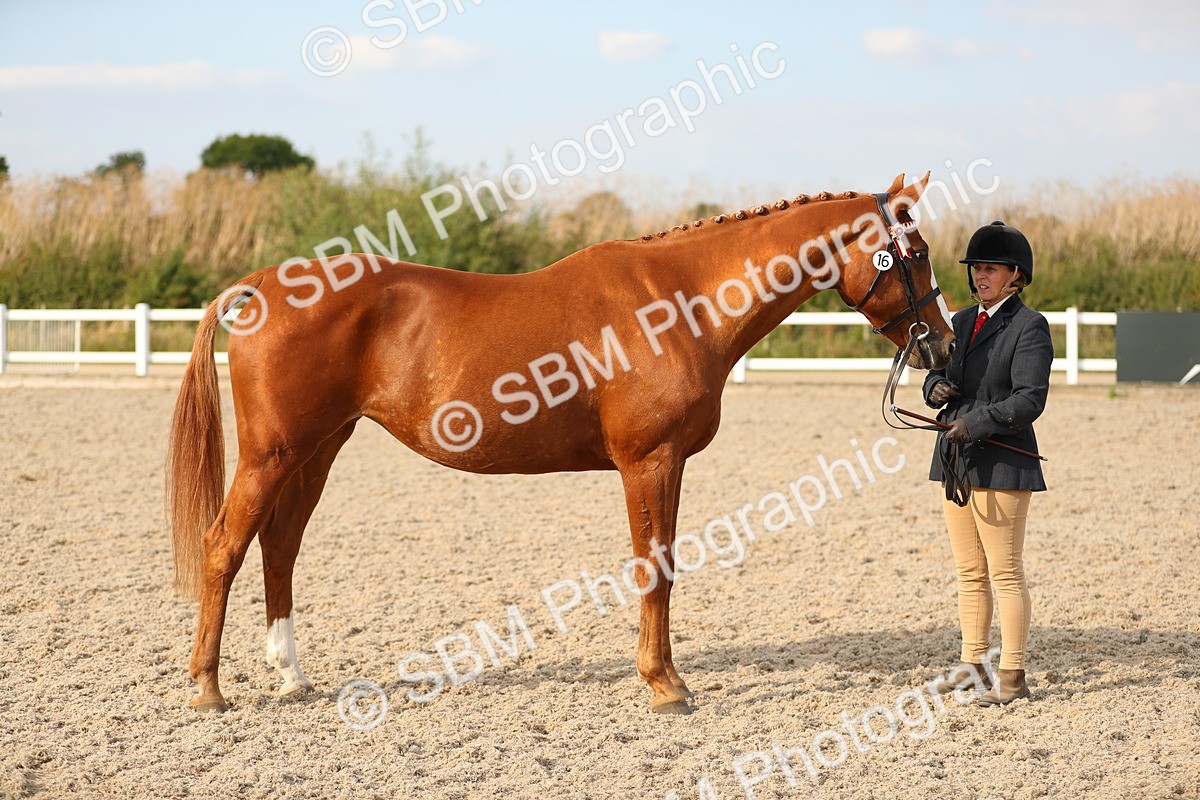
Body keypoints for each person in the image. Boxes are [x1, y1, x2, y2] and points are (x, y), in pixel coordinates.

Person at [922, 221, 1053, 706]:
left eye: (991, 269)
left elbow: (1029, 399)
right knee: (968, 572)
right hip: (957, 460)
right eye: (977, 268)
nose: (981, 276)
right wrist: (932, 388)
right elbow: (938, 371)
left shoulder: (1028, 326)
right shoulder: (957, 323)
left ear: (1015, 275)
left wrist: (976, 423)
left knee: (1005, 572)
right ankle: (972, 664)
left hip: (1002, 459)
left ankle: (1013, 675)